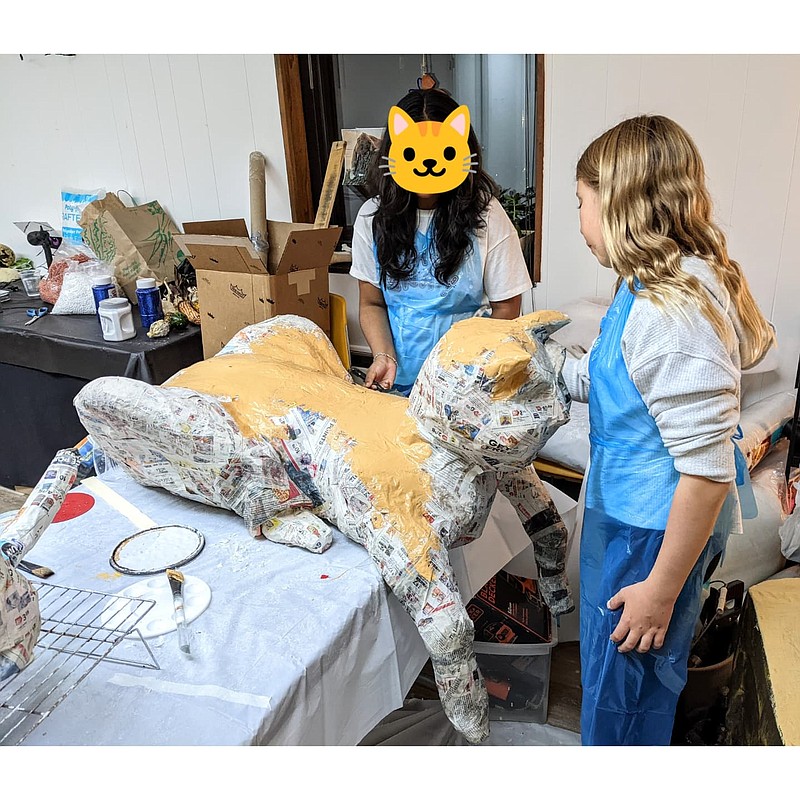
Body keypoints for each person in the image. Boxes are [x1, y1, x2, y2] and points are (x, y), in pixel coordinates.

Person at [565, 114, 775, 746]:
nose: (578, 221)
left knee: (627, 697)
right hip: (630, 516)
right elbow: (622, 383)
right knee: (611, 679)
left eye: (581, 203)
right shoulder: (644, 288)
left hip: (651, 534)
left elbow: (708, 474)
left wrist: (659, 590)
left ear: (620, 203)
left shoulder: (672, 313)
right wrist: (549, 367)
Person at [349, 88, 532, 396]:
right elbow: (372, 302)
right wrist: (383, 355)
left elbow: (507, 306)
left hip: (465, 385)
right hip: (397, 380)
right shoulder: (372, 217)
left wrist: (465, 369)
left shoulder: (486, 215)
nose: (428, 164)